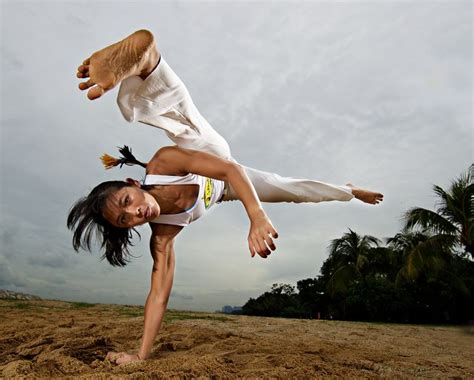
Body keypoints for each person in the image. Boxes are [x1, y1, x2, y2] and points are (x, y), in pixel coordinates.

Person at [68, 29, 383, 365]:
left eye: (128, 201)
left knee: (180, 117)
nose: (135, 213)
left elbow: (231, 169)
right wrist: (140, 356)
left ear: (133, 183)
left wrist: (257, 217)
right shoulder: (163, 236)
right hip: (225, 191)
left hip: (210, 156)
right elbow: (158, 295)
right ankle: (348, 189)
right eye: (124, 220)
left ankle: (145, 60)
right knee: (291, 189)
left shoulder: (163, 164)